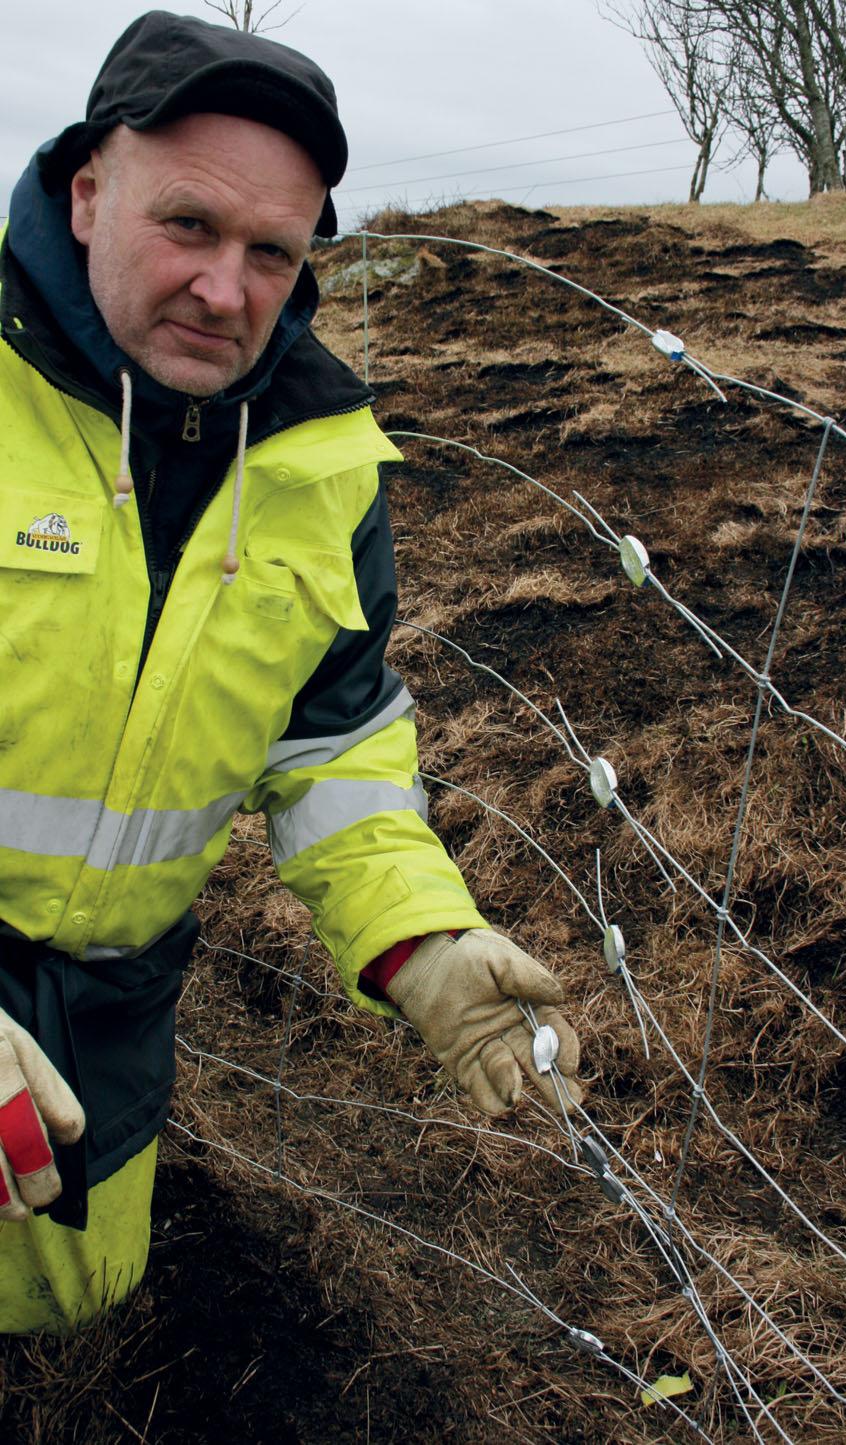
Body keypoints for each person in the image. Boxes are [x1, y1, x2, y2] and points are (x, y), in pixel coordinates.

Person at [0, 10, 582, 1334]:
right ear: (88, 191)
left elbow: (333, 752)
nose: (227, 290)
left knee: (69, 1322)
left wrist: (420, 937)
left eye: (274, 251)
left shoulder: (324, 464)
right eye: (189, 226)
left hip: (112, 1022)